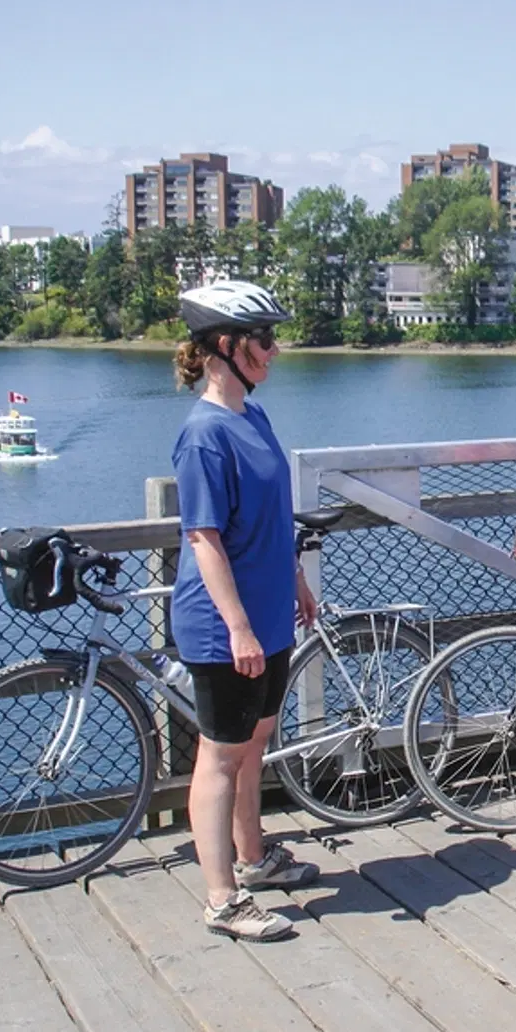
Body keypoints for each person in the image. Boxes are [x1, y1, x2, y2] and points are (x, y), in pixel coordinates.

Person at [171, 280, 319, 941]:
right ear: (227, 347)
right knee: (220, 756)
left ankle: (255, 860)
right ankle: (222, 898)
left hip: (268, 614)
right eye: (264, 339)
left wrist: (294, 583)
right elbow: (204, 537)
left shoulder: (252, 417)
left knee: (255, 743)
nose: (275, 350)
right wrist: (235, 626)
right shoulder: (204, 435)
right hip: (224, 625)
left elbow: (270, 518)